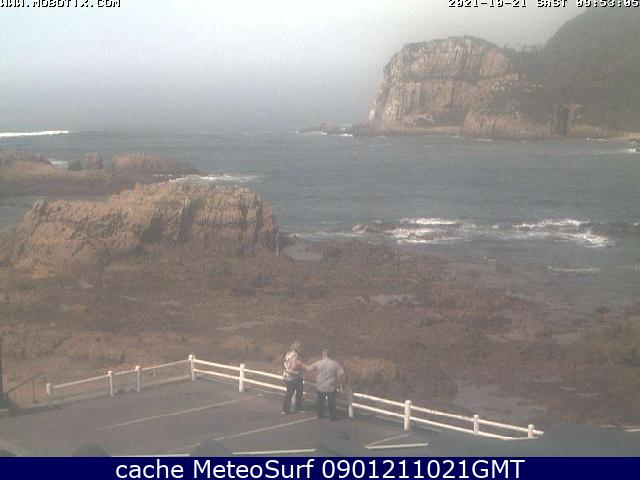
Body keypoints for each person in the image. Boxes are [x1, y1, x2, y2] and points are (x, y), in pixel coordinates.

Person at [305, 349, 344, 421]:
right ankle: (332, 417)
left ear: (323, 355)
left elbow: (308, 368)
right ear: (330, 355)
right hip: (330, 385)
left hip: (320, 385)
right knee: (331, 402)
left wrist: (301, 364)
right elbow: (340, 375)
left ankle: (320, 415)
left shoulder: (318, 363)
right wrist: (340, 384)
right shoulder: (335, 364)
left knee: (320, 401)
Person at [282, 341, 304, 414]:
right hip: (293, 376)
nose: (301, 350)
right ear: (297, 348)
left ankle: (285, 409)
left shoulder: (288, 353)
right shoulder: (295, 355)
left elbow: (285, 363)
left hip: (286, 375)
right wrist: (300, 365)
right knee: (298, 391)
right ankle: (297, 408)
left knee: (289, 393)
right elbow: (294, 365)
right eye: (300, 348)